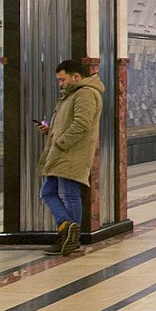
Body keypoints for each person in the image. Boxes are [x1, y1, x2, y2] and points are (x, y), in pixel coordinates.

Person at [37, 57, 103, 256]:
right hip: (62, 152)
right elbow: (68, 124)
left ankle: (69, 238)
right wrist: (50, 131)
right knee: (48, 192)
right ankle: (66, 225)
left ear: (76, 76)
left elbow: (82, 124)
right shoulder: (71, 95)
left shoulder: (85, 94)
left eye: (63, 79)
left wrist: (60, 142)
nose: (61, 83)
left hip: (71, 152)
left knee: (69, 194)